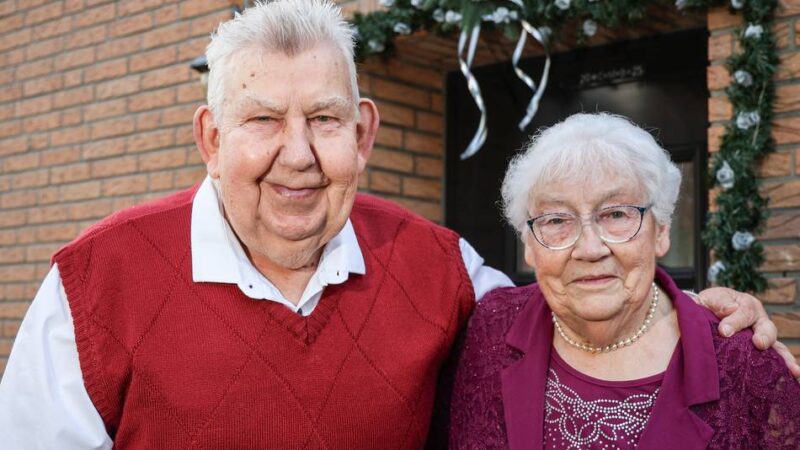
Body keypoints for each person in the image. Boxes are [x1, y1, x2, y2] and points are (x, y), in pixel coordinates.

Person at [0, 2, 792, 448]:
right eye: (262, 121)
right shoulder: (93, 283)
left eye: (324, 118)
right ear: (210, 139)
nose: (298, 156)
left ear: (366, 133)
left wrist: (705, 319)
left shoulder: (439, 266)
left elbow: (578, 296)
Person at [449, 113, 800, 449]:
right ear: (528, 244)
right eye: (556, 220)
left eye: (616, 214)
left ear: (661, 232)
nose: (589, 249)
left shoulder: (747, 368)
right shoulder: (487, 329)